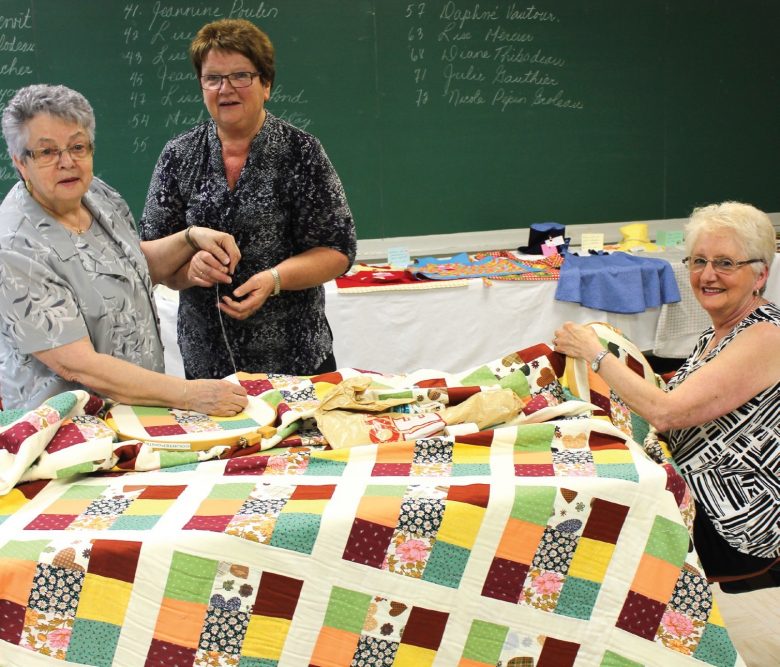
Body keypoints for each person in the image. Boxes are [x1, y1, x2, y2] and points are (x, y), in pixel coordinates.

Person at [552, 201, 779, 581]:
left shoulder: (765, 337)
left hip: (732, 517)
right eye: (698, 261)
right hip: (693, 487)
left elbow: (668, 413)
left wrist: (595, 353)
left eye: (725, 263)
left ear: (760, 276)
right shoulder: (720, 331)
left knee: (575, 521)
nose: (708, 275)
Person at [0, 84, 248, 416]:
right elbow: (79, 366)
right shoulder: (14, 246)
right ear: (20, 162)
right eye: (47, 152)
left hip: (137, 414)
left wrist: (189, 238)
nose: (67, 162)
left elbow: (129, 266)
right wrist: (188, 394)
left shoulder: (97, 195)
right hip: (69, 435)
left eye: (78, 146)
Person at [140, 18, 357, 381]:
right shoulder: (178, 156)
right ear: (202, 86)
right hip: (209, 369)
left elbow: (338, 250)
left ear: (266, 84)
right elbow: (149, 259)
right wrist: (187, 272)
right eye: (213, 78)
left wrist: (275, 279)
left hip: (297, 362)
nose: (226, 89)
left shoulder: (301, 152)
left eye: (240, 75)